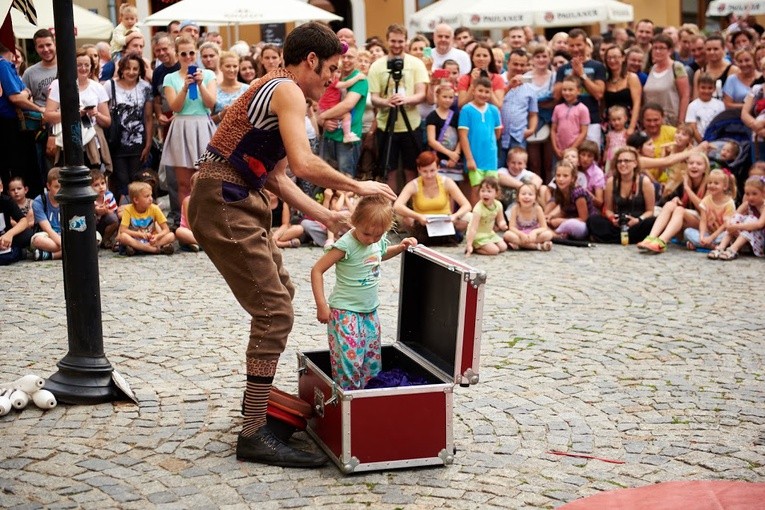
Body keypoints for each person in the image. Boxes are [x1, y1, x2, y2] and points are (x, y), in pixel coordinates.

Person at [187, 22, 396, 468]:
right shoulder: (287, 90)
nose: (333, 81)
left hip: (236, 196)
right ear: (312, 61)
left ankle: (259, 410)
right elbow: (303, 163)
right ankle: (253, 432)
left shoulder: (276, 89)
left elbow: (279, 175)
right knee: (274, 311)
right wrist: (358, 187)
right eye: (332, 70)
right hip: (225, 199)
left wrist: (326, 215)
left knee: (282, 293)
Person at [311, 195, 416, 390]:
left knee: (371, 358)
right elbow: (317, 270)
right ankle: (348, 398)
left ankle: (368, 397)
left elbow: (380, 254)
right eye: (367, 234)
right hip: (345, 312)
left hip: (369, 311)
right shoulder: (346, 244)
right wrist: (321, 305)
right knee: (349, 361)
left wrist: (401, 247)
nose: (371, 240)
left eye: (378, 235)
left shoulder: (377, 239)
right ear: (354, 221)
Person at [368, 24, 428, 193]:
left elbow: (421, 93)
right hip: (385, 125)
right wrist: (387, 102)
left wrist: (405, 100)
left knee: (412, 170)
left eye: (400, 41)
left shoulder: (416, 64)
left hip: (411, 124)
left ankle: (412, 210)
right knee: (389, 171)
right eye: (393, 41)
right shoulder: (377, 66)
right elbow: (374, 97)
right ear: (387, 40)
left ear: (406, 41)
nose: (396, 45)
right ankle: (393, 212)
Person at [160, 35, 217, 212]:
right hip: (182, 126)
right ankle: (187, 222)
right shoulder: (170, 78)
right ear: (177, 55)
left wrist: (200, 85)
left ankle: (206, 220)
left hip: (202, 126)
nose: (188, 57)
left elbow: (210, 103)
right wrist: (184, 87)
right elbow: (174, 106)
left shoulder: (208, 75)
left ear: (197, 53)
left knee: (206, 180)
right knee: (184, 183)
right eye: (183, 54)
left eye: (191, 53)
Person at [44, 49, 112, 173]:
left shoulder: (98, 88)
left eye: (87, 65)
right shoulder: (58, 85)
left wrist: (96, 114)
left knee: (93, 180)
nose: (83, 68)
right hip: (67, 141)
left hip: (92, 143)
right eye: (79, 65)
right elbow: (48, 115)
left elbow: (107, 122)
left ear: (92, 67)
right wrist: (73, 115)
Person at [393, 150, 472, 245]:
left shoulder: (446, 182)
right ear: (419, 170)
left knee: (469, 216)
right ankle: (416, 234)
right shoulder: (413, 185)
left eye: (432, 170)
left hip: (445, 220)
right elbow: (397, 206)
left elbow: (466, 205)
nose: (429, 175)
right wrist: (418, 216)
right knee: (404, 217)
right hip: (422, 222)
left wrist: (454, 216)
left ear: (438, 168)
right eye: (425, 171)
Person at [636, 152, 709, 253]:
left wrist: (687, 189)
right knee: (670, 204)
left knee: (680, 210)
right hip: (686, 223)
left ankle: (662, 241)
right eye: (691, 163)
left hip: (705, 225)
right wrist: (676, 200)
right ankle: (651, 238)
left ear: (705, 168)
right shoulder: (685, 181)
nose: (694, 166)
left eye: (698, 164)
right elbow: (667, 201)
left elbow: (704, 208)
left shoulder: (709, 184)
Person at [106, 52, 154, 204]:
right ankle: (124, 215)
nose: (131, 72)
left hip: (138, 142)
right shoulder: (110, 85)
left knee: (135, 179)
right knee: (121, 180)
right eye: (127, 68)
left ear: (140, 70)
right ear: (121, 69)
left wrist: (148, 143)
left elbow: (148, 117)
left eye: (135, 69)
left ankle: (138, 213)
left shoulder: (145, 87)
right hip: (116, 141)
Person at [586, 147, 657, 244]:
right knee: (593, 220)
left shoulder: (644, 182)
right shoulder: (612, 181)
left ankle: (612, 239)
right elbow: (608, 209)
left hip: (637, 223)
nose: (622, 164)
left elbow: (650, 211)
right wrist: (613, 219)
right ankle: (625, 238)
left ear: (635, 163)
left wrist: (637, 220)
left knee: (652, 222)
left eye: (627, 161)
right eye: (619, 161)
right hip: (618, 225)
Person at [318, 45, 368, 177]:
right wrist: (323, 122)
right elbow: (319, 100)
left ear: (357, 59)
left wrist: (322, 117)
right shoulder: (332, 76)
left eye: (350, 57)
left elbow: (347, 105)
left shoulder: (360, 79)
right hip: (329, 136)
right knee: (324, 179)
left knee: (345, 180)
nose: (346, 60)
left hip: (347, 140)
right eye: (343, 56)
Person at [553, 28, 606, 147]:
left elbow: (599, 94)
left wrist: (582, 74)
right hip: (568, 123)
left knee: (590, 157)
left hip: (591, 121)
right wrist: (572, 74)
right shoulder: (563, 69)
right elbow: (556, 96)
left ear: (586, 44)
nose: (576, 49)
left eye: (579, 45)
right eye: (572, 45)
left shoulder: (598, 66)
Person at [459, 77, 503, 204]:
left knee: (491, 188)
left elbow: (497, 133)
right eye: (480, 91)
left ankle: (490, 218)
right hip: (475, 157)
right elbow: (463, 136)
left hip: (490, 158)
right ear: (473, 90)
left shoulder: (494, 110)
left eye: (487, 92)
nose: (483, 94)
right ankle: (476, 218)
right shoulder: (466, 110)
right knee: (476, 188)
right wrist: (469, 159)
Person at [708, 175, 765, 260]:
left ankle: (733, 249)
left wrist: (736, 226)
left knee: (752, 219)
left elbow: (759, 224)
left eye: (754, 194)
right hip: (746, 238)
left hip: (760, 242)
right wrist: (729, 223)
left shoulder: (763, 206)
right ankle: (721, 247)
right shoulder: (747, 204)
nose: (750, 197)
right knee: (737, 217)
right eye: (747, 194)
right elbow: (733, 216)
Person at [498, 49, 539, 164]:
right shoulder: (497, 81)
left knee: (517, 171)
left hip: (518, 137)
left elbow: (533, 114)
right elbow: (493, 103)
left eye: (522, 65)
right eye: (515, 64)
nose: (519, 68)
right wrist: (509, 86)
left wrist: (531, 130)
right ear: (508, 63)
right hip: (498, 136)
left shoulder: (530, 87)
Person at [117, 181, 175, 256]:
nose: (151, 199)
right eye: (147, 196)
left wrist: (157, 236)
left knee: (171, 235)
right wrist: (138, 234)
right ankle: (153, 249)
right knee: (123, 237)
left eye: (151, 195)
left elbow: (166, 229)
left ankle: (140, 248)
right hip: (135, 239)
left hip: (151, 240)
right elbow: (123, 230)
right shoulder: (128, 209)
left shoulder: (155, 208)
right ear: (136, 200)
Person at [684, 168, 737, 251]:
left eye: (716, 183)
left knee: (729, 234)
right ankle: (709, 245)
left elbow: (725, 226)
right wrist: (701, 236)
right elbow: (703, 221)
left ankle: (701, 245)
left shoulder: (729, 203)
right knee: (687, 232)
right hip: (707, 234)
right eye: (710, 183)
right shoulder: (706, 200)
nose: (712, 185)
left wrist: (711, 238)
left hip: (720, 234)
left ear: (725, 186)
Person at [643, 34, 690, 127]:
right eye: (655, 48)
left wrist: (681, 121)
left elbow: (685, 95)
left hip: (670, 122)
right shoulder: (652, 69)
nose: (657, 51)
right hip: (652, 123)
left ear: (670, 50)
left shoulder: (677, 67)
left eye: (661, 48)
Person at [545, 162, 596, 240]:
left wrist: (560, 221)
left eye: (565, 176)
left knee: (570, 224)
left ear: (573, 178)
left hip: (584, 226)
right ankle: (553, 232)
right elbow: (564, 211)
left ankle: (555, 234)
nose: (561, 179)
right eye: (558, 175)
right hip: (568, 221)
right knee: (546, 220)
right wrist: (551, 217)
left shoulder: (578, 193)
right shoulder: (559, 191)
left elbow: (584, 219)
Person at [602, 46, 642, 137]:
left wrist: (631, 127)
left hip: (629, 121)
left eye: (616, 57)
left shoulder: (631, 78)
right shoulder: (605, 80)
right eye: (609, 58)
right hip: (611, 123)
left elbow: (637, 103)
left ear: (623, 58)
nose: (612, 61)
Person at [426, 84, 462, 181]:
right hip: (438, 157)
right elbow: (431, 140)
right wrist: (449, 153)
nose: (448, 100)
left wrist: (455, 155)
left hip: (454, 159)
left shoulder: (457, 116)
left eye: (451, 97)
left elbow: (462, 137)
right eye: (444, 97)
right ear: (437, 97)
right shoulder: (432, 116)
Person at [503, 182, 553, 251]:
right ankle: (537, 246)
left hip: (534, 236)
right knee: (507, 235)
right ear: (518, 197)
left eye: (530, 194)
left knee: (548, 234)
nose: (526, 197)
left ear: (535, 198)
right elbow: (511, 227)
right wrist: (521, 234)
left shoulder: (538, 209)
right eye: (523, 194)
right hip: (520, 235)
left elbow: (544, 227)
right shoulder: (515, 208)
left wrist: (535, 232)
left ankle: (520, 245)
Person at [465, 176, 508, 255]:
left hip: (489, 233)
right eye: (483, 191)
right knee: (494, 251)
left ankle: (486, 246)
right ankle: (475, 248)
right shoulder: (478, 209)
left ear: (496, 193)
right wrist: (469, 244)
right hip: (477, 235)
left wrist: (503, 224)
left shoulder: (498, 205)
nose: (485, 194)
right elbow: (473, 228)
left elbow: (500, 219)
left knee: (503, 247)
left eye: (489, 191)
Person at [551, 75, 589, 160]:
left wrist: (571, 149)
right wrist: (555, 148)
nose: (567, 92)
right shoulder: (557, 108)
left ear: (578, 91)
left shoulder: (583, 109)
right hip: (559, 150)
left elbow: (583, 132)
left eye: (570, 90)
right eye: (564, 90)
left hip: (574, 151)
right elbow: (553, 130)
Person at [457, 42, 506, 108]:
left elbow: (498, 106)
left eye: (485, 56)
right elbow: (461, 105)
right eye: (478, 55)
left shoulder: (498, 79)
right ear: (472, 58)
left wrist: (488, 83)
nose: (481, 58)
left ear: (490, 58)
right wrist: (473, 83)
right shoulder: (464, 79)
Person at [30, 167, 62, 261]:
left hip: (65, 235)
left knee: (95, 237)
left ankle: (50, 255)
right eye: (56, 187)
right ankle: (71, 251)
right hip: (47, 235)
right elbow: (47, 228)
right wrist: (64, 245)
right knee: (38, 240)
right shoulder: (39, 201)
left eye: (63, 186)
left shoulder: (69, 199)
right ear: (48, 186)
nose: (60, 190)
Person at [686, 73, 726, 143]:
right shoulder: (692, 106)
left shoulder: (720, 105)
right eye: (703, 87)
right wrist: (702, 142)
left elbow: (722, 125)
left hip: (716, 142)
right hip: (698, 143)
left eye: (710, 88)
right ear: (698, 88)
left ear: (714, 89)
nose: (706, 91)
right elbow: (693, 127)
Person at [212, 51, 249, 126]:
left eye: (235, 66)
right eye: (228, 66)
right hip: (218, 134)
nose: (232, 70)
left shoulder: (247, 89)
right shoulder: (214, 90)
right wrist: (221, 115)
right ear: (220, 67)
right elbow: (206, 120)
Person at [0, 180, 32, 266]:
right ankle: (17, 253)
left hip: (6, 238)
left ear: (1, 188)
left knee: (27, 234)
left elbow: (23, 221)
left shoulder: (7, 201)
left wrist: (9, 234)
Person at [91, 170, 119, 250]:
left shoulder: (109, 196)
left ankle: (105, 239)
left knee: (113, 218)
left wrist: (106, 211)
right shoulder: (90, 199)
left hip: (104, 224)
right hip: (93, 225)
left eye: (103, 183)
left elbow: (114, 212)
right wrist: (95, 210)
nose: (101, 187)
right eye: (96, 185)